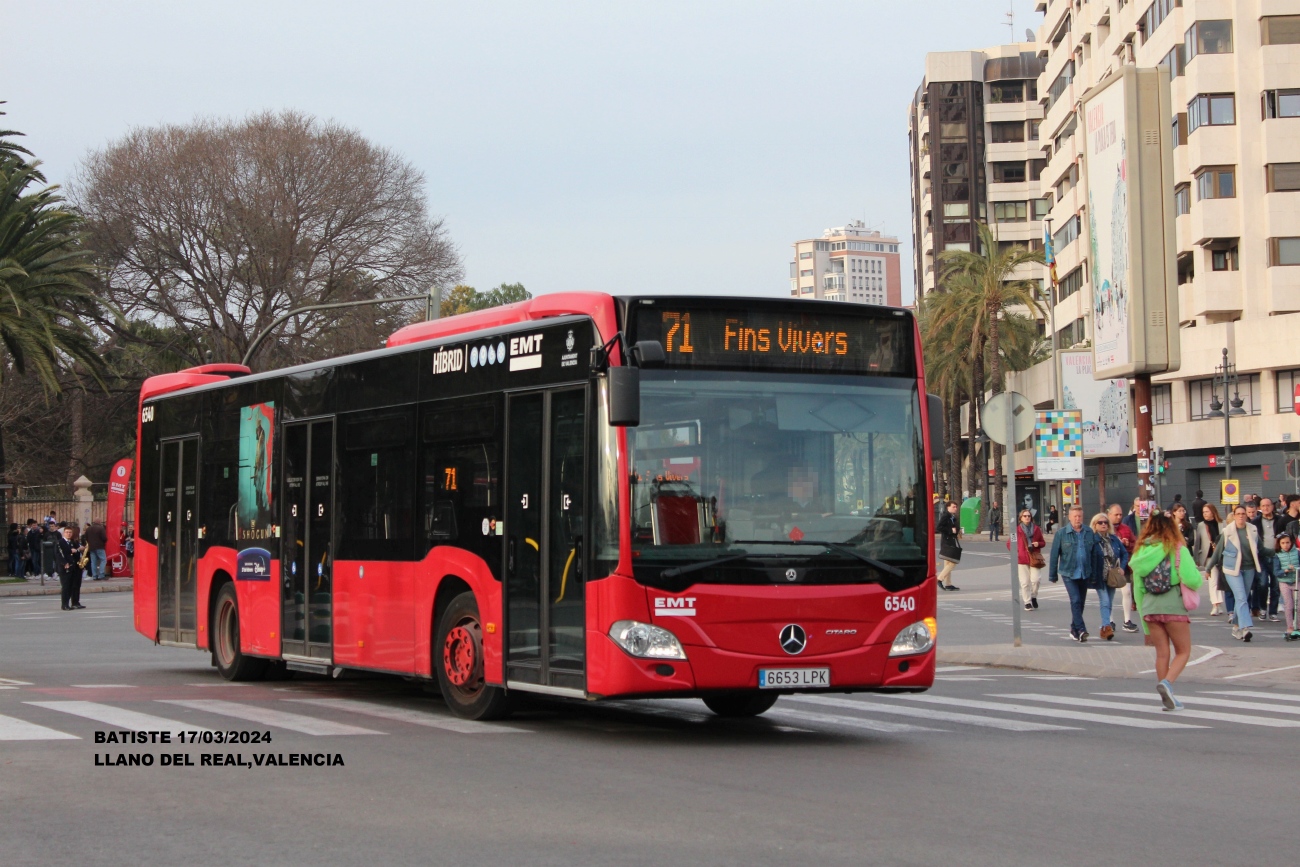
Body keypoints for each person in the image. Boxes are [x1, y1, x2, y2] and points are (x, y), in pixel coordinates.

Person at [1129, 512, 1203, 711]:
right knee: (1183, 651)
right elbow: (1192, 579)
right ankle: (1167, 684)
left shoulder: (1140, 554)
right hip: (1173, 605)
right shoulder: (1177, 549)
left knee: (1162, 653)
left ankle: (1167, 695)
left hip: (1150, 607)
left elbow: (1138, 589)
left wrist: (1144, 626)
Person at [1208, 505, 1263, 641]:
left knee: (1242, 598)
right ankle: (1245, 628)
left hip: (1249, 568)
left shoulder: (1253, 530)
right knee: (1241, 597)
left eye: (1243, 514)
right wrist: (1209, 567)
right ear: (1234, 515)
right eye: (1238, 514)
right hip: (1232, 569)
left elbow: (1261, 549)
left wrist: (1277, 552)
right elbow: (1218, 551)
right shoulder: (1228, 531)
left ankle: (1236, 627)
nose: (1241, 516)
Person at [1048, 504, 1103, 641]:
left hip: (1085, 572)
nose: (1078, 519)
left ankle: (1074, 629)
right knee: (1075, 600)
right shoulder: (1061, 533)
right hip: (1069, 572)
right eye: (1075, 516)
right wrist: (1052, 575)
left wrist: (1095, 574)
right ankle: (1081, 629)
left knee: (1081, 602)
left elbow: (1095, 555)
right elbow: (1055, 555)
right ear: (1070, 517)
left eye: (1080, 516)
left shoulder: (1089, 532)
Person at [1091, 512, 1129, 640]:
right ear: (1095, 525)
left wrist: (1122, 568)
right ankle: (1107, 627)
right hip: (1099, 575)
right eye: (1100, 523)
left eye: (1105, 522)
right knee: (1105, 601)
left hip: (1112, 575)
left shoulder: (1114, 539)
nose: (1103, 525)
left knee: (1109, 601)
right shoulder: (1092, 539)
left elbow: (1124, 554)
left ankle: (1104, 626)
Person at [1009, 507, 1046, 611]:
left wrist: (1038, 544)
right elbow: (1009, 543)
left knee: (1036, 580)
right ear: (1021, 518)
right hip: (1022, 559)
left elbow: (1043, 542)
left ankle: (1033, 596)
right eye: (1025, 516)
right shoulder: (1017, 530)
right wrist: (1018, 551)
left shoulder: (1036, 529)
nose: (1027, 517)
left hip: (1034, 557)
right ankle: (1027, 602)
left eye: (1029, 516)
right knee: (1024, 582)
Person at [1253, 497, 1282, 621]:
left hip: (1277, 556)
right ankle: (1263, 609)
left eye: (1268, 505)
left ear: (1272, 506)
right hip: (1261, 556)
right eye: (1263, 506)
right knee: (1263, 583)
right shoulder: (1255, 522)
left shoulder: (1279, 520)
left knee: (1276, 585)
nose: (1266, 508)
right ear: (1260, 507)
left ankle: (1273, 612)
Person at [1194, 504, 1226, 616]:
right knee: (1213, 579)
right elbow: (1197, 542)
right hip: (1209, 556)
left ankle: (1219, 604)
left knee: (1221, 580)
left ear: (1213, 511)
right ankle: (1215, 605)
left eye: (1207, 511)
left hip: (1222, 555)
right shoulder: (1201, 525)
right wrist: (1196, 558)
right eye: (1203, 512)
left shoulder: (1222, 523)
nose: (1205, 514)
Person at [1272, 533, 1299, 634]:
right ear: (1279, 544)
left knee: (1298, 605)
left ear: (1291, 542)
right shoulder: (1277, 555)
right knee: (1289, 605)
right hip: (1284, 583)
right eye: (1283, 543)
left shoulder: (1297, 553)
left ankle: (1298, 626)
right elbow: (1276, 572)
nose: (1286, 545)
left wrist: (1297, 570)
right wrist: (1285, 571)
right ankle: (1290, 626)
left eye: (1287, 542)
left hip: (1297, 581)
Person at [55, 524, 84, 610]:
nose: (69, 534)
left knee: (73, 585)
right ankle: (64, 604)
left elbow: (76, 552)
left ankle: (75, 602)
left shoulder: (73, 542)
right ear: (64, 533)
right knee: (66, 586)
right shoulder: (60, 542)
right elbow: (59, 554)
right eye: (67, 532)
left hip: (74, 567)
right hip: (65, 567)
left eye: (70, 532)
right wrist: (64, 563)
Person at [936, 500, 962, 591]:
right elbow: (939, 527)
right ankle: (939, 578)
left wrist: (957, 530)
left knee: (947, 563)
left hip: (951, 541)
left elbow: (956, 527)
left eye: (956, 507)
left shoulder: (953, 517)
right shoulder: (945, 516)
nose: (955, 508)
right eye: (953, 507)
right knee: (953, 562)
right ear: (948, 507)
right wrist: (951, 531)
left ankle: (948, 584)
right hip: (947, 542)